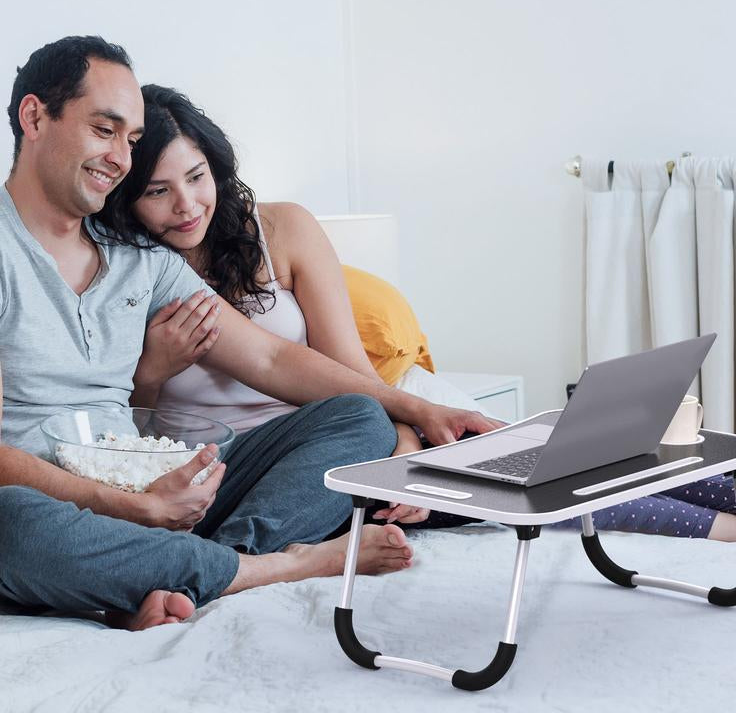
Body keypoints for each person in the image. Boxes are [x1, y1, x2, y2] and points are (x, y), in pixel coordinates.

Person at [98, 85, 736, 543]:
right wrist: (151, 375)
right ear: (127, 199)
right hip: (256, 475)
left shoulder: (281, 228)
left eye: (198, 179)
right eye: (158, 192)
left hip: (351, 432)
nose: (187, 206)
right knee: (517, 486)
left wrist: (403, 440)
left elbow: (343, 371)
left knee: (546, 448)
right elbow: (119, 425)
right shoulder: (129, 271)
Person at [0, 36, 496, 632]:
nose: (121, 159)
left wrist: (421, 409)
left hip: (156, 492)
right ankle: (273, 567)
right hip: (53, 506)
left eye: (131, 141)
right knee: (12, 523)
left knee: (357, 415)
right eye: (104, 130)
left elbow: (269, 357)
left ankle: (198, 566)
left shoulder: (140, 259)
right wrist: (138, 508)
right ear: (35, 117)